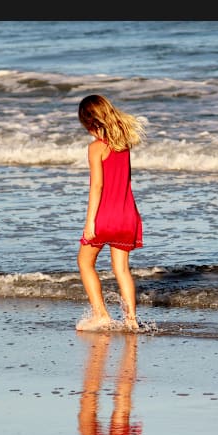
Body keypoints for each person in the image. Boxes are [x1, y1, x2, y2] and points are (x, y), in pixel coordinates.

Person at [76, 94, 145, 331]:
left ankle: (101, 314)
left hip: (105, 216)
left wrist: (90, 222)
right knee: (122, 269)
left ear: (88, 121)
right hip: (127, 215)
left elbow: (97, 186)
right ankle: (131, 320)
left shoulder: (96, 148)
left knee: (85, 263)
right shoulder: (124, 143)